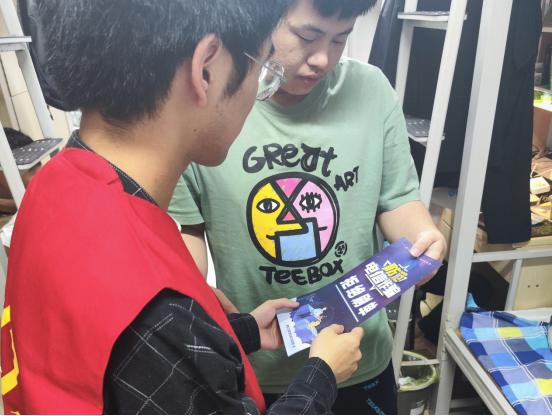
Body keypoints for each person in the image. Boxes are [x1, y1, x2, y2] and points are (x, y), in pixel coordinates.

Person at [1, 1, 365, 415]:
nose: (259, 91)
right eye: (263, 68)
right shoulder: (159, 310)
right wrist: (320, 376)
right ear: (205, 69)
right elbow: (159, 342)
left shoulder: (54, 183)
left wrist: (238, 331)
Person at [169, 0, 448, 414]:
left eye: (340, 39)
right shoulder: (212, 101)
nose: (321, 59)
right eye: (306, 36)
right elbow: (186, 226)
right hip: (257, 355)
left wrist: (424, 241)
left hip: (357, 351)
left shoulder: (371, 90)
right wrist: (193, 300)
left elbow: (397, 198)